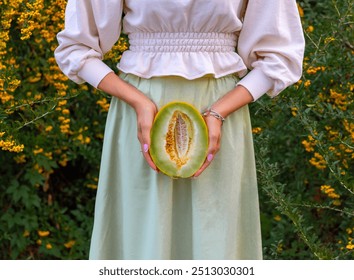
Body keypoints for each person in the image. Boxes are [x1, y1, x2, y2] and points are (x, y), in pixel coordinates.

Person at [55, 0, 305, 260]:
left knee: (215, 242)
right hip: (141, 115)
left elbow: (280, 55)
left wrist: (219, 112)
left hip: (220, 114)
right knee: (142, 241)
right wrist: (138, 102)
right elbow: (76, 48)